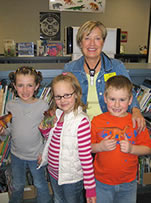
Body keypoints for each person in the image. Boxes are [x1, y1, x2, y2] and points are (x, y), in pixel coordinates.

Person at [64, 20, 145, 132]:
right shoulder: (70, 69)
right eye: (87, 38)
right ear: (80, 43)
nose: (92, 43)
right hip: (80, 127)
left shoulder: (116, 66)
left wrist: (136, 110)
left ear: (103, 42)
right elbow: (63, 98)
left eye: (97, 38)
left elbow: (130, 92)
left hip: (110, 126)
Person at [91, 75, 151, 203]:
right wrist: (100, 147)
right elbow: (86, 146)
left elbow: (147, 148)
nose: (117, 105)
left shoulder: (136, 122)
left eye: (122, 100)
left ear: (130, 100)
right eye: (112, 99)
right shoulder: (97, 121)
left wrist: (132, 149)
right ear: (105, 98)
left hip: (128, 183)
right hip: (101, 182)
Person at [38, 72, 96, 203]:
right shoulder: (58, 114)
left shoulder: (81, 122)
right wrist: (45, 130)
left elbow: (86, 157)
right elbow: (51, 139)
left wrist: (90, 188)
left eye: (67, 95)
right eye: (58, 97)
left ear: (76, 94)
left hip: (71, 178)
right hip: (54, 172)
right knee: (58, 199)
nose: (62, 100)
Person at [0, 66, 52, 203]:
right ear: (14, 86)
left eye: (29, 85)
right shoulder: (11, 105)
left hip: (36, 156)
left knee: (40, 185)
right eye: (20, 85)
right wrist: (3, 132)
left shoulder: (43, 106)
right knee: (17, 186)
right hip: (16, 155)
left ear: (37, 86)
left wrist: (43, 153)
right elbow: (10, 129)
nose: (25, 90)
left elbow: (48, 134)